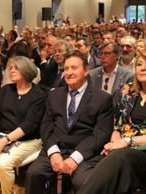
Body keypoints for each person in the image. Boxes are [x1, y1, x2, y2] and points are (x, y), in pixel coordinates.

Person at [77, 50, 146, 194]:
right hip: (124, 155)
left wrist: (127, 141)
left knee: (119, 161)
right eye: (139, 64)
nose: (143, 68)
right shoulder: (126, 92)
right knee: (118, 170)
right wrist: (114, 144)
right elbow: (117, 127)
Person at [25, 51, 114, 193]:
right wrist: (53, 152)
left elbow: (101, 134)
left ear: (86, 71)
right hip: (56, 148)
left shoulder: (102, 99)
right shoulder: (54, 95)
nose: (69, 72)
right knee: (34, 174)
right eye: (66, 69)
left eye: (74, 68)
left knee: (83, 181)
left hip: (85, 153)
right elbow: (46, 126)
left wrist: (75, 158)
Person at [0, 56, 46, 194]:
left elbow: (29, 125)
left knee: (3, 164)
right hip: (2, 136)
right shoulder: (6, 90)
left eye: (16, 68)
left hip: (28, 140)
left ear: (26, 70)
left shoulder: (38, 95)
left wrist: (5, 140)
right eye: (10, 68)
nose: (11, 71)